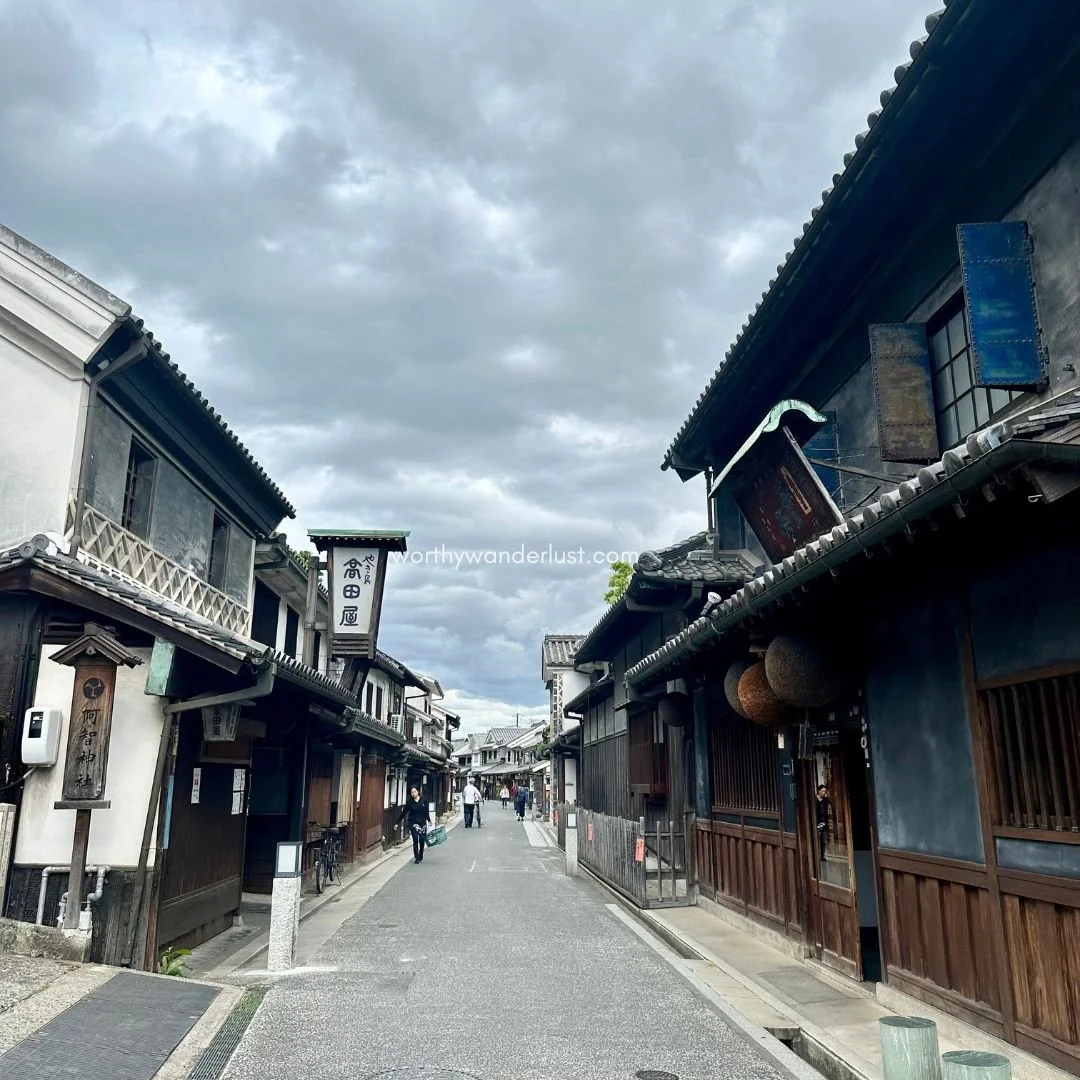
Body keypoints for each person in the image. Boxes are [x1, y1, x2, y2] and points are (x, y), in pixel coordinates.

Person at [398, 786, 432, 864]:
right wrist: (398, 822)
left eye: (414, 791)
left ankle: (421, 854)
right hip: (413, 822)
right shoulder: (410, 802)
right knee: (415, 839)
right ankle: (416, 857)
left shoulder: (424, 800)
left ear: (418, 792)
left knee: (422, 840)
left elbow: (426, 811)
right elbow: (404, 812)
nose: (413, 793)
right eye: (412, 792)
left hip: (422, 822)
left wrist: (429, 820)